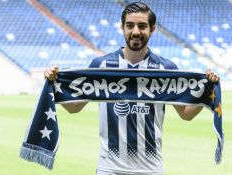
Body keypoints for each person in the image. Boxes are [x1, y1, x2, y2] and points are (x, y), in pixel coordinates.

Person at [44, 2, 219, 175]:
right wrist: (53, 82)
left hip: (151, 169)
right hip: (109, 168)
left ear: (152, 29)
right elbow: (74, 107)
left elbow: (186, 114)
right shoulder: (101, 66)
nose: (136, 32)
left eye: (142, 26)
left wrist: (207, 91)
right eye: (130, 25)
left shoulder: (166, 69)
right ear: (122, 28)